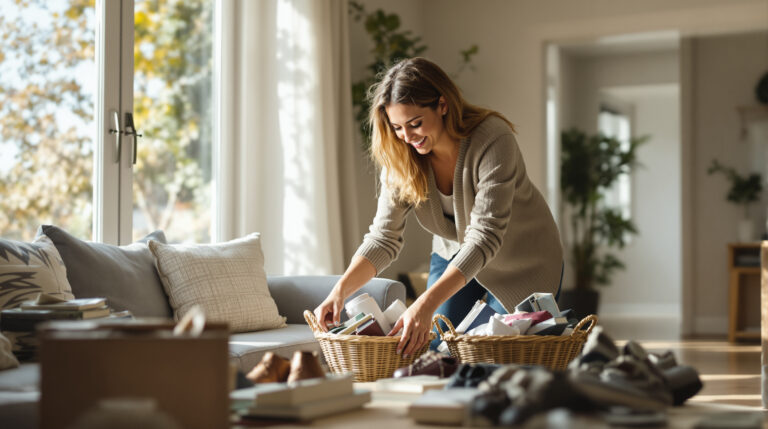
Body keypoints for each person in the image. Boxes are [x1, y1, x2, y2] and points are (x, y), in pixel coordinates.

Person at [314, 57, 563, 358]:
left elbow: (485, 237)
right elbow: (383, 237)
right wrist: (339, 291)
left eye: (415, 123)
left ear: (443, 105)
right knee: (435, 349)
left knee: (495, 354)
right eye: (397, 128)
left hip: (523, 259)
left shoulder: (493, 138)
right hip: (454, 252)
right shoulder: (401, 157)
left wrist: (423, 303)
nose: (407, 137)